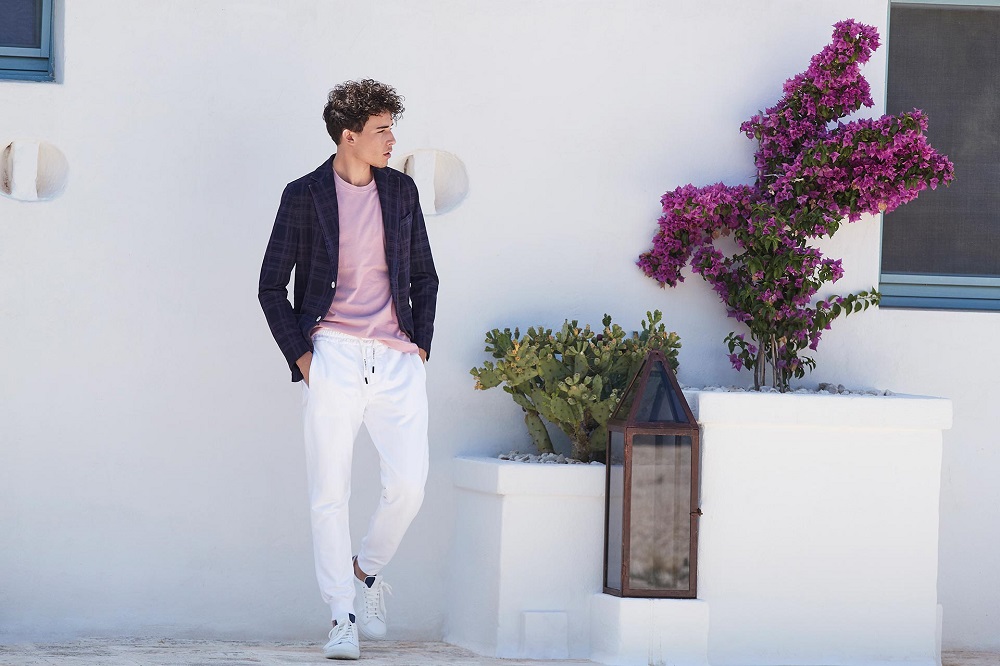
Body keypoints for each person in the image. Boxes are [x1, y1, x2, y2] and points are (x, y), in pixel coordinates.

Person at [258, 79, 438, 660]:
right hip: (332, 351)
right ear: (349, 136)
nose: (392, 140)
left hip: (396, 356)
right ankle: (342, 616)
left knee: (409, 485)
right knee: (329, 493)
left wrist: (420, 345)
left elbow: (425, 276)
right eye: (382, 130)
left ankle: (366, 571)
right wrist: (305, 360)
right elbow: (270, 286)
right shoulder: (303, 195)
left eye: (392, 129)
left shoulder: (402, 191)